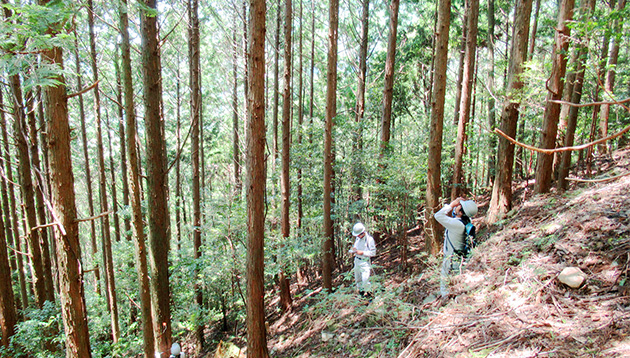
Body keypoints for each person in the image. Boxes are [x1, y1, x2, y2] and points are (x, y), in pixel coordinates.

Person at [434, 197, 478, 298]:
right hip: (459, 259)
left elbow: (438, 215)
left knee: (446, 287)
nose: (456, 207)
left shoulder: (457, 224)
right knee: (457, 286)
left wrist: (451, 205)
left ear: (461, 212)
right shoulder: (466, 222)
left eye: (458, 206)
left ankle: (448, 304)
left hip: (451, 260)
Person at [348, 222, 376, 297]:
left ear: (362, 233)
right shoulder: (357, 238)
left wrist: (362, 252)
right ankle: (362, 296)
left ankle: (370, 297)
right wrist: (354, 250)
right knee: (358, 280)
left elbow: (373, 253)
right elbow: (356, 247)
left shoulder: (369, 240)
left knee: (365, 281)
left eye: (358, 234)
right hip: (357, 261)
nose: (358, 236)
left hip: (365, 262)